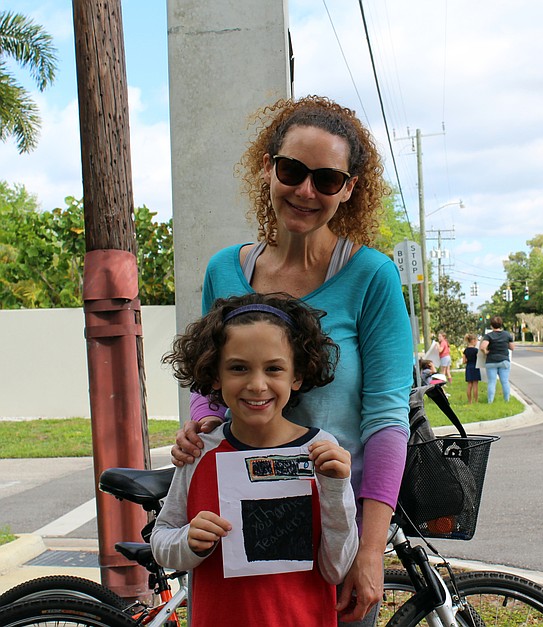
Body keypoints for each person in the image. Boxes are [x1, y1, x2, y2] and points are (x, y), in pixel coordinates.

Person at [170, 96, 412, 624]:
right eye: (292, 170)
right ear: (267, 168)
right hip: (236, 530)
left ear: (348, 189)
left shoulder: (372, 276)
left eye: (327, 179)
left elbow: (388, 421)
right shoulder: (223, 270)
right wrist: (200, 423)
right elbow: (208, 379)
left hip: (331, 543)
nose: (306, 190)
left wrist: (370, 551)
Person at [153, 293, 358, 626]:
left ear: (297, 375)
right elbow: (162, 540)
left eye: (274, 368)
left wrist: (336, 490)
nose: (257, 384)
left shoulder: (322, 452)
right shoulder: (200, 451)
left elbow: (336, 568)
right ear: (215, 375)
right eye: (238, 368)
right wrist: (188, 540)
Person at [479, 316, 515, 403]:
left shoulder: (489, 336)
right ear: (501, 325)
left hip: (491, 361)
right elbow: (512, 348)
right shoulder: (507, 335)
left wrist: (486, 352)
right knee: (505, 381)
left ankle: (490, 401)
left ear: (491, 326)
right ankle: (507, 400)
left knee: (492, 382)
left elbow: (482, 347)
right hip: (504, 361)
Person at [461, 332, 481, 404]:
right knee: (475, 384)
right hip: (475, 367)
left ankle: (470, 401)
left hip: (469, 367)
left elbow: (464, 361)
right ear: (473, 341)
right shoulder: (476, 351)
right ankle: (476, 401)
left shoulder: (465, 350)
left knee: (469, 384)